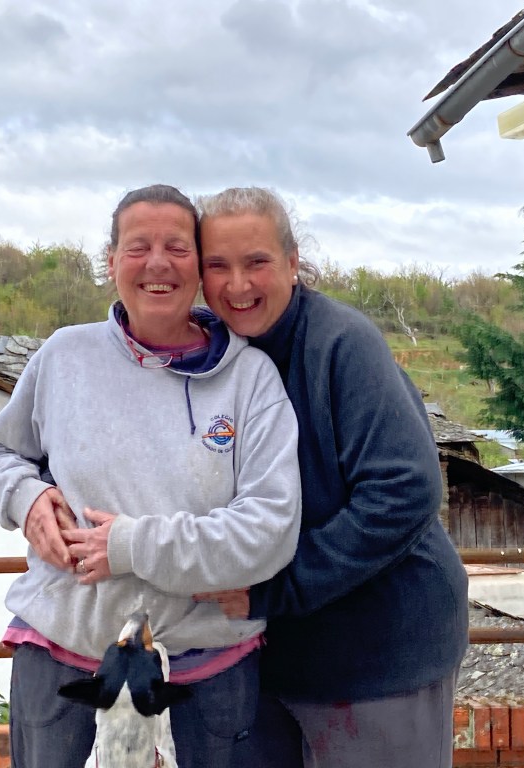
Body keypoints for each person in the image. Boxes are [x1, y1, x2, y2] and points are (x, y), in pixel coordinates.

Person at [0, 184, 302, 768]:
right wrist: (25, 498)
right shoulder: (63, 357)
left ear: (198, 266)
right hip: (62, 664)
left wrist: (128, 547)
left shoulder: (250, 379)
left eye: (176, 248)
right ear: (110, 262)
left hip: (208, 676)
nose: (157, 264)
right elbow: (2, 454)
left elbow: (270, 530)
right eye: (137, 247)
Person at [194, 187, 469, 768]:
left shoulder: (342, 344)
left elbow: (404, 490)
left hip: (380, 656)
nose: (238, 285)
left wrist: (275, 588)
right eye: (218, 265)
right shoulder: (211, 356)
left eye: (257, 261)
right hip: (266, 657)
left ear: (293, 262)